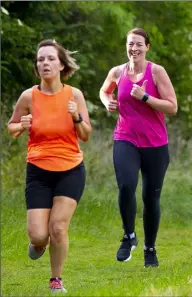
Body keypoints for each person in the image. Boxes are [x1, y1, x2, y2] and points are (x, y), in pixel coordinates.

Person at [7, 39, 92, 292]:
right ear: (37, 66)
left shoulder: (74, 95)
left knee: (57, 227)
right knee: (38, 235)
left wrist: (76, 116)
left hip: (70, 169)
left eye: (50, 59)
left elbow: (86, 134)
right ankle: (39, 245)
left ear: (61, 64)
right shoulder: (28, 96)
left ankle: (56, 280)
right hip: (39, 170)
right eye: (40, 59)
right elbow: (11, 127)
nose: (45, 63)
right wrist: (20, 126)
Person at [99, 28, 177, 268]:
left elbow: (172, 107)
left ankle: (149, 248)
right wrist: (107, 102)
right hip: (126, 138)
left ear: (147, 47)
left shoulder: (157, 72)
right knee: (125, 185)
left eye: (139, 44)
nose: (134, 48)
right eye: (130, 44)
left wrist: (145, 97)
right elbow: (104, 90)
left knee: (150, 198)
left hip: (155, 144)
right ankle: (128, 235)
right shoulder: (117, 72)